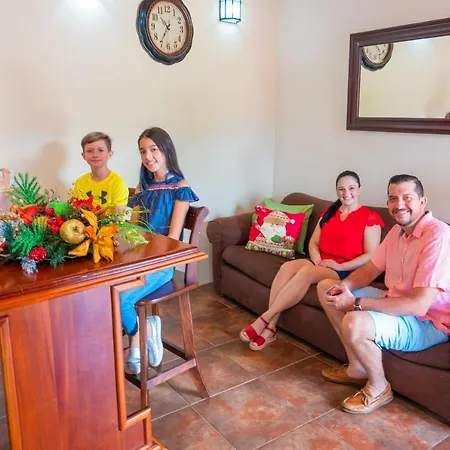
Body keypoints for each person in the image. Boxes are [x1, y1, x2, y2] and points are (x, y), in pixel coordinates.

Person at [318, 174, 450, 415]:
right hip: (395, 301)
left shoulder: (438, 235)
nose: (399, 204)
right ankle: (357, 368)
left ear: (422, 201)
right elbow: (370, 270)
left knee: (354, 321)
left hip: (427, 321)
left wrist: (357, 302)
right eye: (393, 199)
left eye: (407, 197)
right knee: (328, 288)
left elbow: (419, 306)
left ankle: (379, 387)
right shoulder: (397, 232)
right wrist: (344, 287)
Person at [240, 170, 384, 350]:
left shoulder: (370, 217)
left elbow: (371, 254)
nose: (346, 193)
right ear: (336, 190)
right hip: (320, 261)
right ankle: (271, 327)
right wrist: (317, 261)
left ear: (360, 189)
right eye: (341, 189)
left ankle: (264, 319)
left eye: (351, 188)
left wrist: (340, 266)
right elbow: (314, 242)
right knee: (286, 268)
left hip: (344, 269)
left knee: (306, 273)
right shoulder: (330, 212)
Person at [123, 127, 199, 375]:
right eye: (142, 151)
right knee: (105, 290)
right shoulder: (142, 187)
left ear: (166, 150)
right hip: (139, 260)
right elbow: (134, 229)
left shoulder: (180, 186)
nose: (148, 157)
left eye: (153, 149)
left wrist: (145, 259)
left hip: (162, 264)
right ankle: (144, 332)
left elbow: (173, 239)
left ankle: (138, 339)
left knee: (120, 299)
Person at [73, 132, 129, 210]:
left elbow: (118, 215)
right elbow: (74, 210)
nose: (95, 155)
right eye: (90, 151)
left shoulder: (118, 183)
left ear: (110, 154)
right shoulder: (80, 182)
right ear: (84, 155)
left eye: (100, 150)